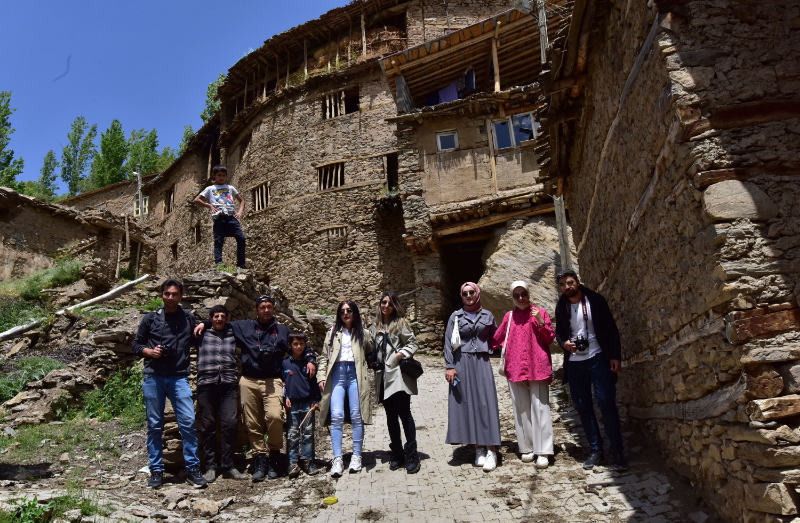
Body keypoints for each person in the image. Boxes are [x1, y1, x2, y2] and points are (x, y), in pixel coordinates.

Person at [194, 295, 316, 481]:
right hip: (249, 380)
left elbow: (300, 343)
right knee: (252, 422)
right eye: (262, 307)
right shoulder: (243, 327)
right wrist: (204, 322)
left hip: (273, 380)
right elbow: (219, 321)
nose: (266, 310)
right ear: (256, 310)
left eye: (269, 307)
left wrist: (310, 359)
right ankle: (260, 458)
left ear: (273, 308)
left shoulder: (282, 331)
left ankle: (274, 455)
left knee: (275, 417)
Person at [132, 279, 207, 489]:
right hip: (153, 376)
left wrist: (205, 323)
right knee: (154, 425)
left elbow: (202, 333)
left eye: (174, 294)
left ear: (181, 296)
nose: (170, 297)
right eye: (167, 294)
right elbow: (136, 345)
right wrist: (149, 352)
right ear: (162, 295)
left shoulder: (188, 318)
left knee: (188, 423)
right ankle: (156, 470)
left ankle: (193, 468)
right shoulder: (150, 319)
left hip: (179, 376)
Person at [554, 269, 628, 471]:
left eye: (569, 282)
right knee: (583, 406)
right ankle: (596, 449)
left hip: (598, 357)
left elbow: (611, 329)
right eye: (562, 284)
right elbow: (559, 333)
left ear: (577, 282)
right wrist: (565, 344)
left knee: (607, 403)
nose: (566, 287)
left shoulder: (595, 300)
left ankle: (617, 451)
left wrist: (615, 356)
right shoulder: (561, 307)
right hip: (576, 363)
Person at [493, 281, 556, 469]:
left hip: (538, 365)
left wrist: (541, 322)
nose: (521, 298)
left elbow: (550, 338)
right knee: (521, 409)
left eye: (524, 294)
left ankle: (543, 451)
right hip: (515, 367)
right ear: (512, 297)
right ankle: (527, 448)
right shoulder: (509, 316)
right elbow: (496, 338)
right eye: (517, 295)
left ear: (529, 294)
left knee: (540, 408)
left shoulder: (540, 312)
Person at [443, 282, 502, 472]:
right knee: (468, 403)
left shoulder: (488, 316)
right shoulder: (456, 316)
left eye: (471, 292)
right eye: (465, 293)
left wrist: (496, 348)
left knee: (486, 402)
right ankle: (478, 448)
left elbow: (496, 337)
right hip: (462, 362)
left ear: (477, 294)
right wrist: (450, 366)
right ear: (461, 296)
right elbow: (447, 342)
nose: (468, 296)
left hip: (482, 362)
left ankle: (492, 449)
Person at [316, 300, 374, 477]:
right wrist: (321, 377)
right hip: (338, 375)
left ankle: (357, 456)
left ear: (355, 313)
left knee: (357, 414)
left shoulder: (363, 334)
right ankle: (337, 458)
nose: (346, 314)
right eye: (342, 312)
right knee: (337, 415)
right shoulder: (332, 333)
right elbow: (324, 357)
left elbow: (371, 351)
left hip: (356, 375)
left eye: (349, 310)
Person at [369, 292, 421, 474]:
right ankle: (397, 453)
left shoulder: (400, 324)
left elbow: (413, 343)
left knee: (404, 413)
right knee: (390, 415)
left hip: (397, 376)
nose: (386, 306)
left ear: (394, 306)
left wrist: (399, 355)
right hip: (382, 377)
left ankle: (412, 454)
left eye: (390, 304)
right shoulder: (373, 327)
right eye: (383, 302)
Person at [196, 304, 248, 482]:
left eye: (222, 316)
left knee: (230, 423)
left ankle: (228, 464)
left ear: (227, 319)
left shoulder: (233, 333)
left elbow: (250, 325)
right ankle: (210, 466)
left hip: (228, 385)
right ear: (210, 318)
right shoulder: (201, 333)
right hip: (206, 384)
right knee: (208, 426)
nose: (219, 319)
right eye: (215, 316)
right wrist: (203, 323)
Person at [282, 331, 323, 478]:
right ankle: (292, 462)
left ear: (305, 345)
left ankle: (307, 460)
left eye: (301, 344)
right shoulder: (285, 363)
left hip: (307, 404)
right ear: (290, 345)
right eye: (295, 344)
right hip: (292, 404)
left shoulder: (309, 364)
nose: (298, 346)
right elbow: (283, 383)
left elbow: (313, 384)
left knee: (308, 433)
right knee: (292, 434)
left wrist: (315, 401)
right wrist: (285, 396)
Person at [193, 165, 247, 269]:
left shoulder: (230, 188)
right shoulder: (210, 189)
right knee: (218, 240)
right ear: (214, 175)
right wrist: (209, 205)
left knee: (241, 238)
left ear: (226, 176)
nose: (221, 177)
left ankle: (241, 264)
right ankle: (219, 263)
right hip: (219, 217)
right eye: (219, 175)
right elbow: (196, 200)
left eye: (223, 175)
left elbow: (242, 200)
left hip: (231, 217)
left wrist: (240, 212)